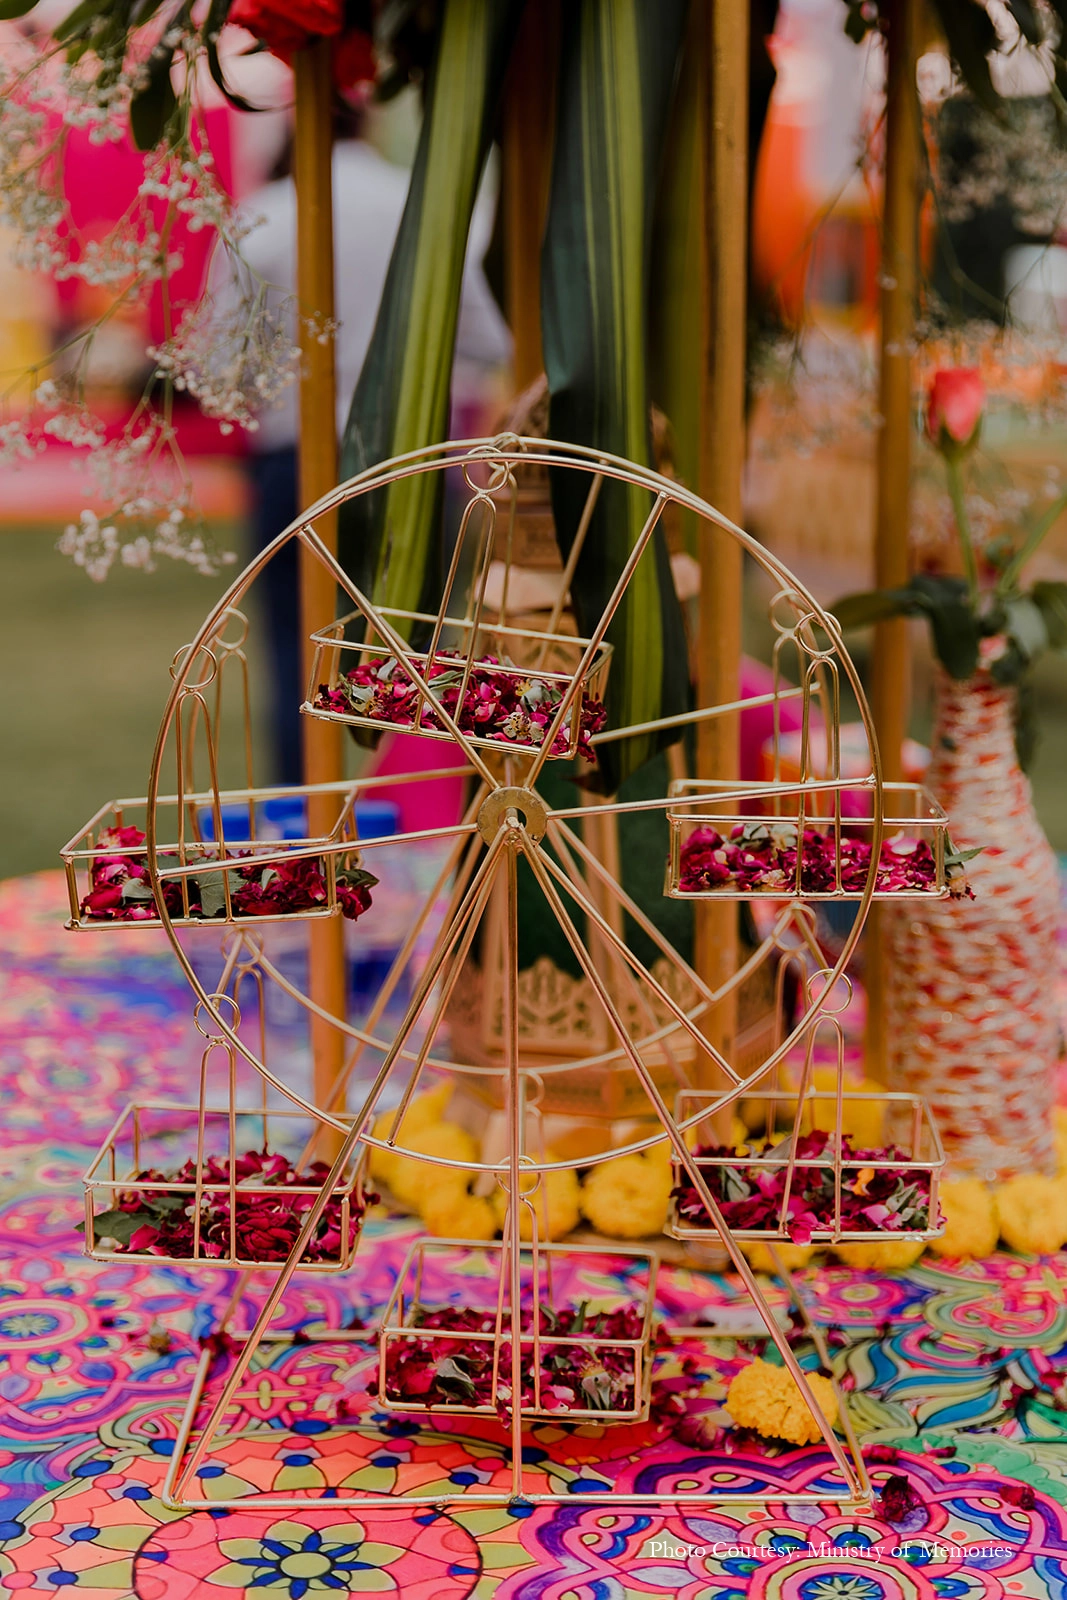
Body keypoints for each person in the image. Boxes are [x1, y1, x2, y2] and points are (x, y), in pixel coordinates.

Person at [234, 111, 512, 782]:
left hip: (294, 456)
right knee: (413, 642)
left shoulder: (263, 217)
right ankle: (413, 807)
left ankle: (306, 825)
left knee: (295, 645)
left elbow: (228, 364)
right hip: (407, 455)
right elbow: (486, 341)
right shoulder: (421, 211)